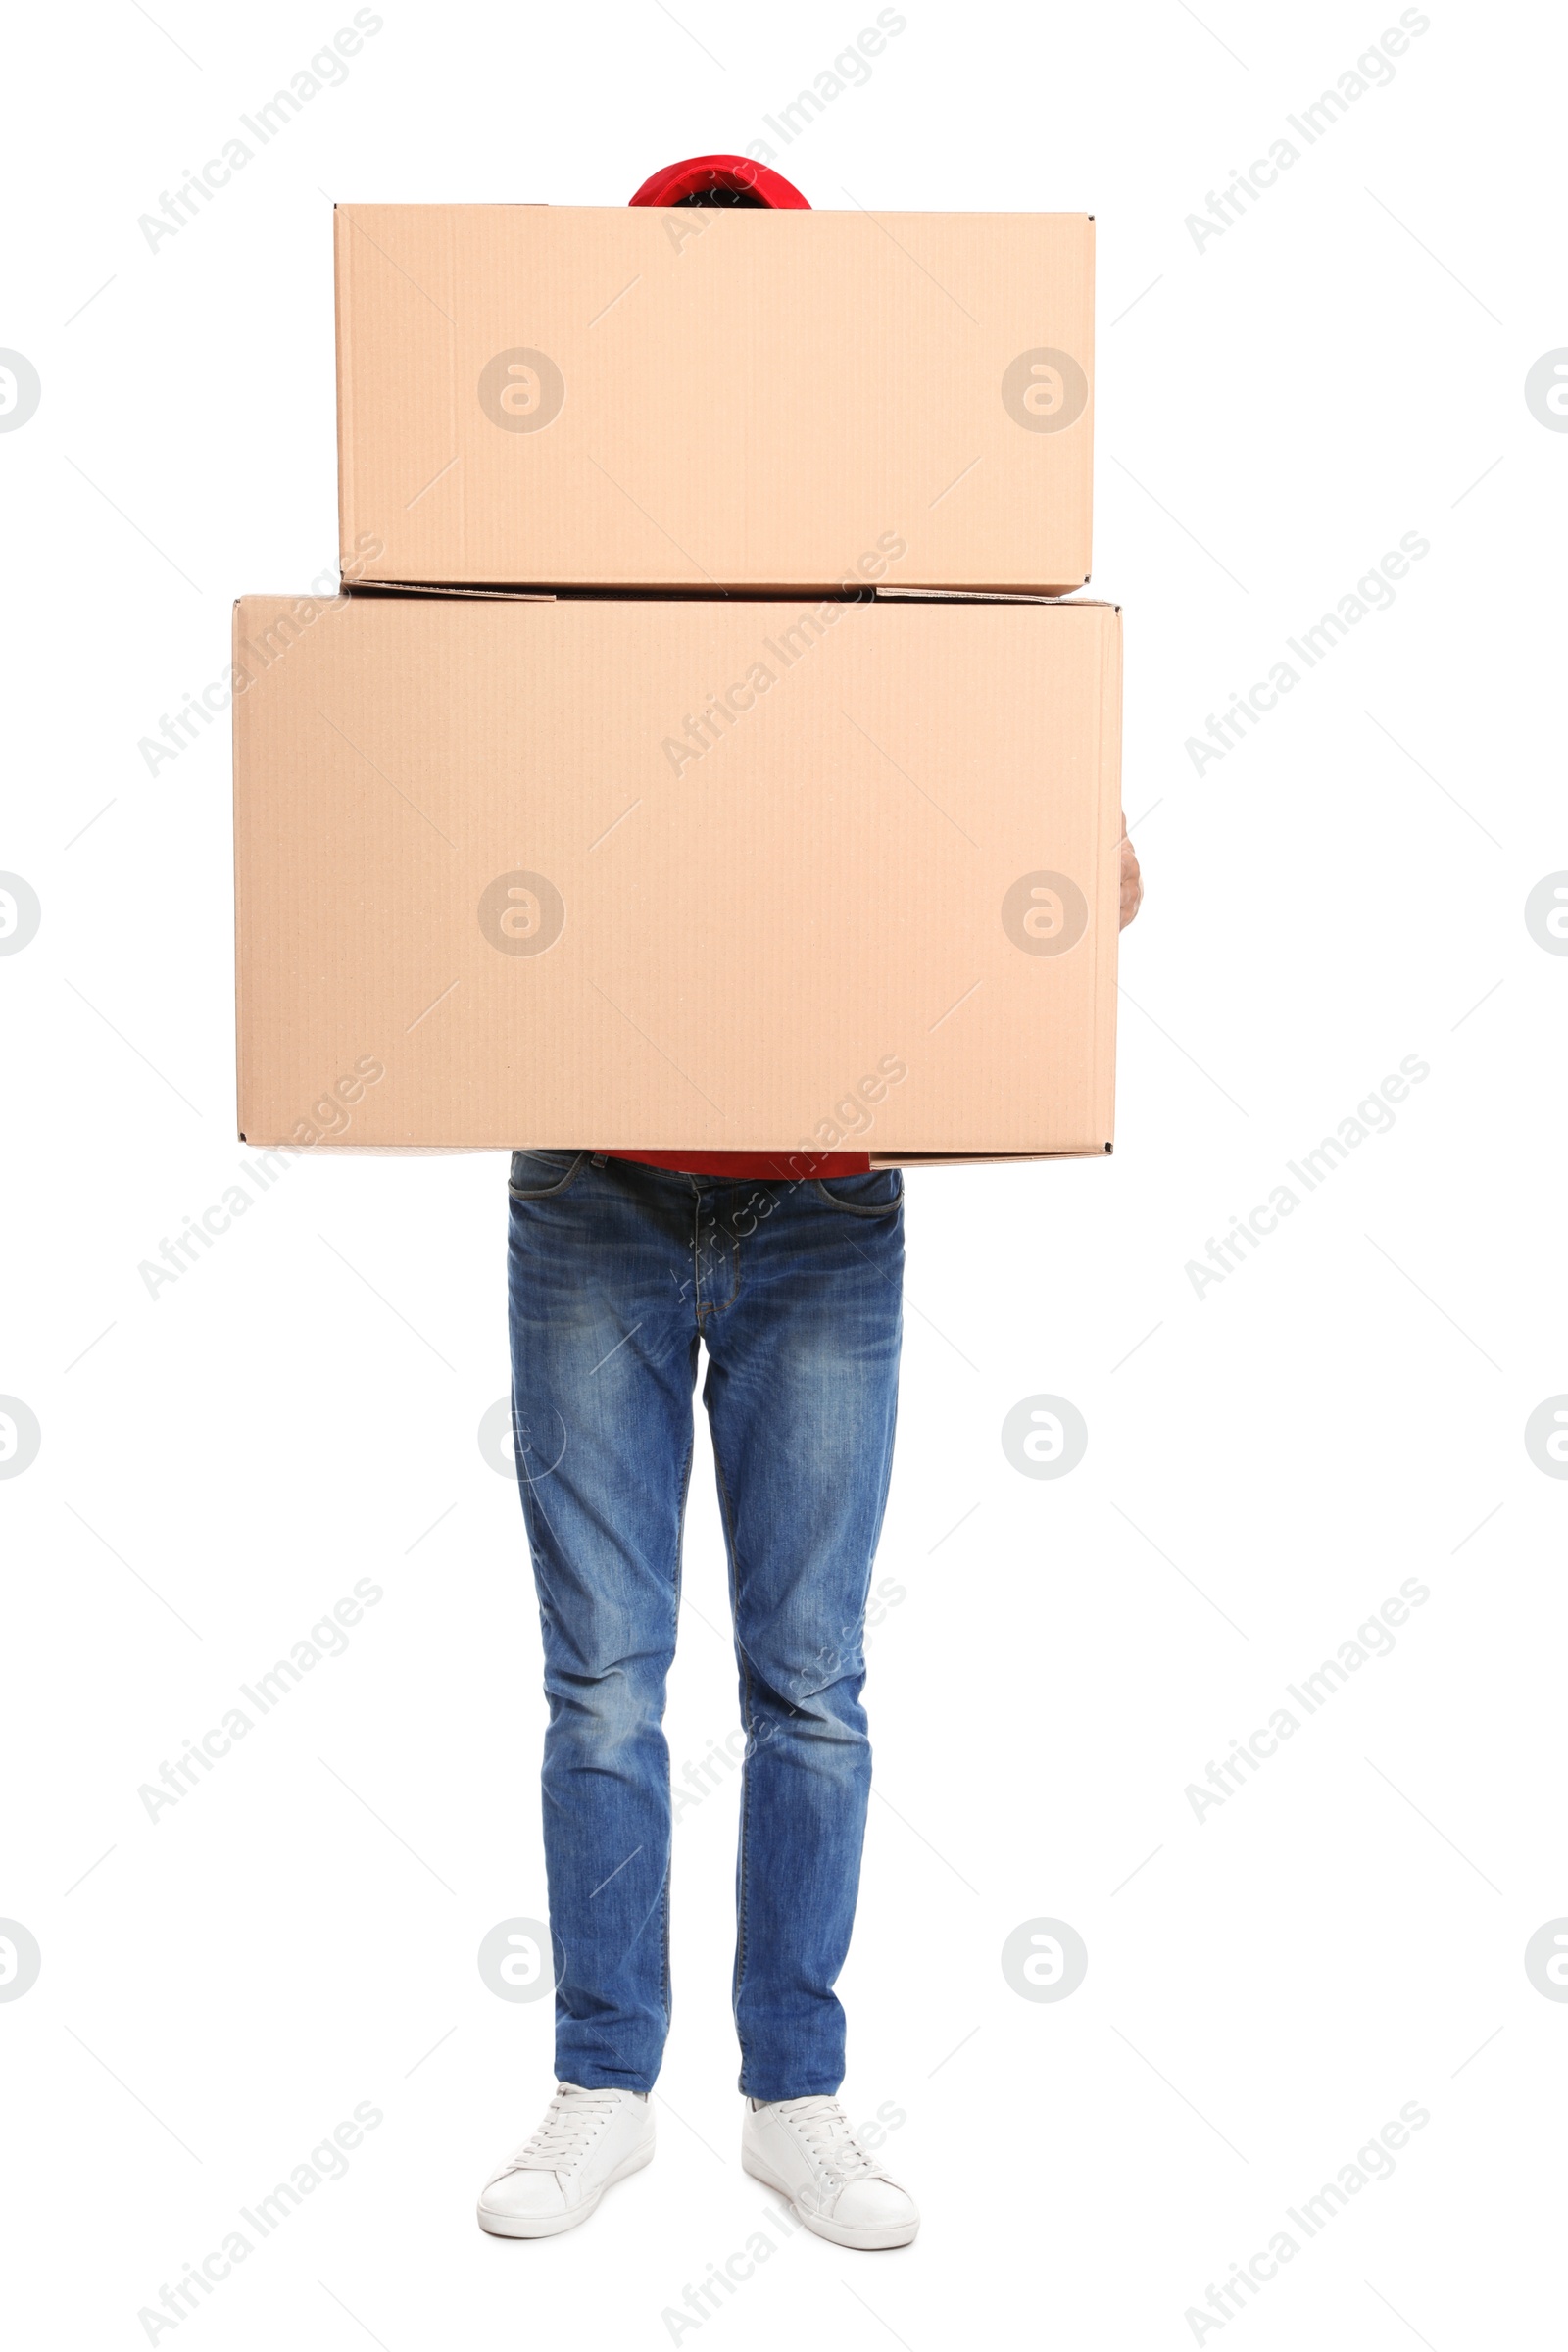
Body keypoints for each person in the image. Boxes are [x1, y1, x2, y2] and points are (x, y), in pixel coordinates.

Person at [476, 154, 1144, 2250]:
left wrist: (1058, 851)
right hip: (591, 1189)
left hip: (821, 1217)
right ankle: (599, 2085)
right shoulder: (544, 585)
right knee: (602, 1676)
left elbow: (1076, 881)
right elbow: (426, 820)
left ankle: (797, 2096)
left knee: (809, 1680)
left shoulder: (907, 593)